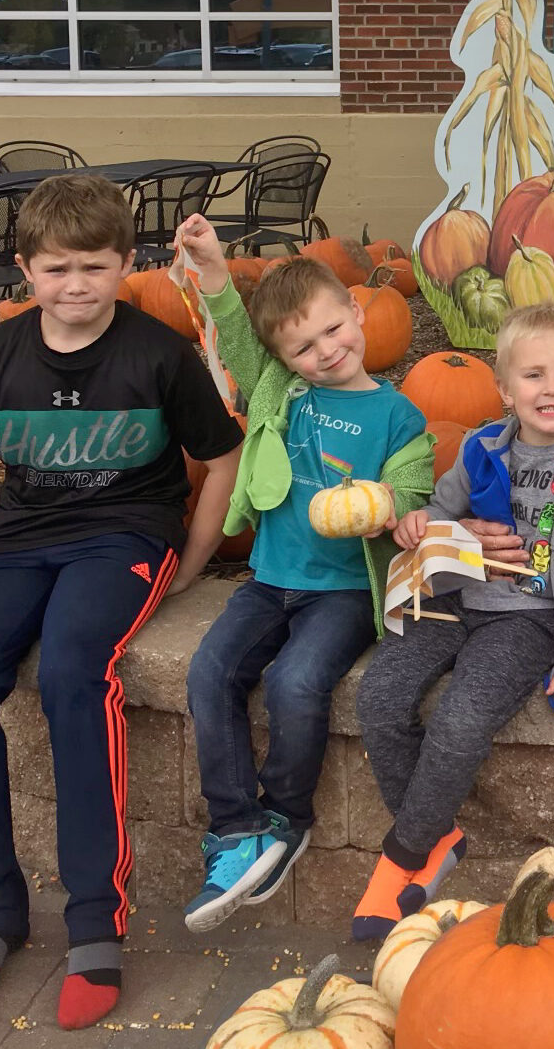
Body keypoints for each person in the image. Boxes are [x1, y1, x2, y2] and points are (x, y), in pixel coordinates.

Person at [0, 176, 243, 1029]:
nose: (76, 286)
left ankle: (94, 923)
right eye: (57, 268)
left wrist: (192, 558)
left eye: (95, 268)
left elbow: (220, 458)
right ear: (24, 269)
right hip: (20, 537)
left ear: (126, 264)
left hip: (124, 538)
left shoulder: (157, 352)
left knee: (74, 669)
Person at [173, 213, 440, 935]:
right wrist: (214, 270)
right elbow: (228, 328)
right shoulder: (280, 393)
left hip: (345, 590)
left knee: (296, 682)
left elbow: (414, 487)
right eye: (302, 346)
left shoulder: (400, 414)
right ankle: (235, 827)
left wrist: (394, 507)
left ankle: (288, 817)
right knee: (209, 672)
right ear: (283, 358)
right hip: (269, 576)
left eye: (333, 330)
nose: (325, 351)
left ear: (356, 312)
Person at [355, 302, 554, 939]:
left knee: (461, 720)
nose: (553, 388)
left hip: (530, 618)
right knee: (378, 696)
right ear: (505, 389)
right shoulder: (483, 445)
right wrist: (422, 525)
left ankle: (402, 856)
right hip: (456, 600)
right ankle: (436, 832)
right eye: (534, 375)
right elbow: (440, 513)